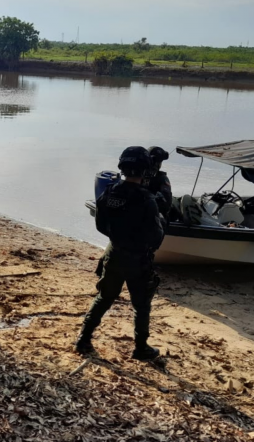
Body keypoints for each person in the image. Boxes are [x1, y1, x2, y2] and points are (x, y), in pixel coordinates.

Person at [76, 147, 165, 361]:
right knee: (141, 304)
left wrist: (118, 237)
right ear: (146, 171)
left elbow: (100, 225)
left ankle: (83, 338)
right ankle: (140, 347)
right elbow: (156, 238)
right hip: (138, 258)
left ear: (122, 168)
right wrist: (159, 225)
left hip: (114, 252)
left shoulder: (110, 192)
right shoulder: (147, 200)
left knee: (104, 297)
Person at [145, 146, 173, 218]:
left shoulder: (139, 175)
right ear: (158, 163)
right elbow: (166, 205)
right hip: (156, 220)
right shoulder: (162, 179)